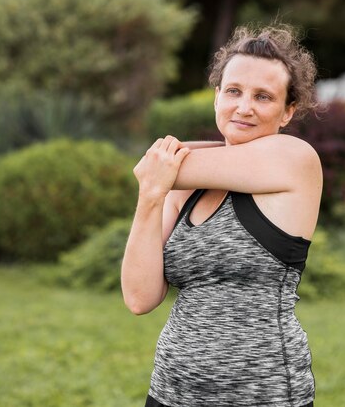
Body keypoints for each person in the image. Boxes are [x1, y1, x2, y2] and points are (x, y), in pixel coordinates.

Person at [121, 24, 322, 407]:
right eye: (234, 91)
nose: (244, 107)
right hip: (171, 390)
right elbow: (139, 297)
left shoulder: (295, 159)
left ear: (287, 111)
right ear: (216, 98)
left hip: (265, 394)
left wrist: (158, 167)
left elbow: (155, 162)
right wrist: (150, 195)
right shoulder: (182, 184)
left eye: (263, 97)